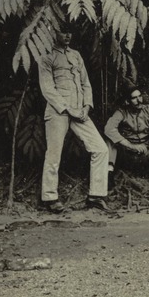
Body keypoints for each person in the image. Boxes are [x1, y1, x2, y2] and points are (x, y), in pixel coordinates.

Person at [35, 28, 112, 213]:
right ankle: (50, 197)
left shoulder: (76, 55)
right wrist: (69, 109)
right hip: (57, 112)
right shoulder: (46, 56)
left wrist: (86, 107)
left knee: (101, 149)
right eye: (63, 32)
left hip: (80, 112)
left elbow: (85, 83)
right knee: (54, 155)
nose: (68, 35)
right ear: (53, 32)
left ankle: (95, 195)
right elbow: (48, 89)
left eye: (70, 31)